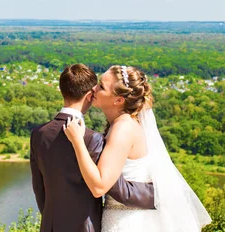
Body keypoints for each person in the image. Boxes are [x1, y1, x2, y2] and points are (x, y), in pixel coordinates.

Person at [64, 65, 212, 232]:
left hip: (126, 223)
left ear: (118, 100)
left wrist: (77, 141)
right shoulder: (123, 124)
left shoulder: (123, 129)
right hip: (123, 216)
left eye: (101, 86)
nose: (94, 89)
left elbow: (99, 187)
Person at [30, 64, 155, 232]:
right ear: (88, 95)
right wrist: (154, 195)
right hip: (87, 226)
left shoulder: (39, 133)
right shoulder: (94, 138)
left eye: (101, 86)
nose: (95, 89)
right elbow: (111, 186)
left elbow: (39, 189)